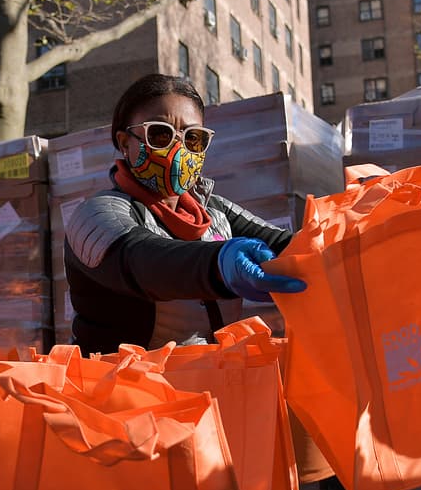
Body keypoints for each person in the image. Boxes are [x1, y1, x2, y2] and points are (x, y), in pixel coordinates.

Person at [64, 73, 306, 355]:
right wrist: (220, 263)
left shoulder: (214, 211)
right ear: (124, 141)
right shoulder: (95, 215)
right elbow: (144, 261)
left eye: (193, 138)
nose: (178, 150)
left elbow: (292, 245)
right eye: (160, 134)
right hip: (124, 390)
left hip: (208, 383)